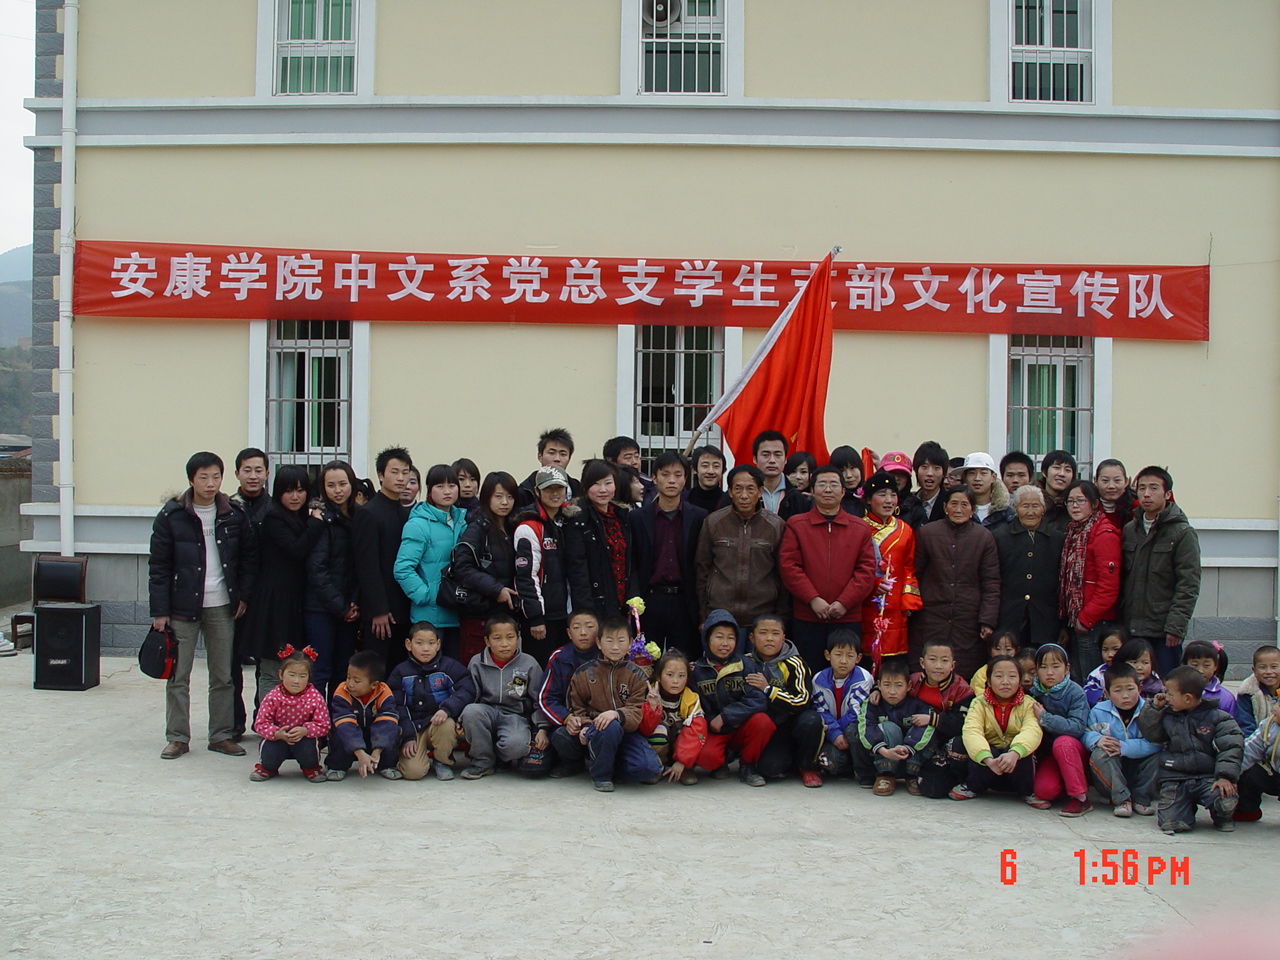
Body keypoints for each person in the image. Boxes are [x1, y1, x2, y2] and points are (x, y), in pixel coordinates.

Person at [149, 451, 257, 760]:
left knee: (223, 675)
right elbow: (158, 566)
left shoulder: (234, 514)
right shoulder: (172, 515)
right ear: (191, 480)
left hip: (222, 605)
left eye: (216, 477)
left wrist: (243, 597)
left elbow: (248, 560)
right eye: (203, 477)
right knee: (177, 675)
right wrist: (160, 611)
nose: (210, 483)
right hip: (182, 607)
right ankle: (177, 737)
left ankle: (221, 734)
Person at [776, 464, 876, 672]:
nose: (828, 489)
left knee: (844, 672)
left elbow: (866, 571)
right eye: (822, 484)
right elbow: (789, 566)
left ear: (843, 491)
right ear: (812, 490)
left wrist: (844, 602)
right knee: (807, 672)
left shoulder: (860, 528)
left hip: (847, 617)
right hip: (807, 616)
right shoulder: (797, 525)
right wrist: (813, 599)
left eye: (833, 484)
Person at [242, 465, 322, 702]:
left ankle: (289, 716)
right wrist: (316, 524)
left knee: (295, 667)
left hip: (296, 601)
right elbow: (297, 548)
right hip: (273, 603)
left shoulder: (301, 518)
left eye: (300, 490)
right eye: (288, 491)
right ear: (278, 493)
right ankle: (267, 717)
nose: (295, 497)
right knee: (272, 669)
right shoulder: (273, 518)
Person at [1138, 665, 1244, 834]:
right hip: (1176, 778)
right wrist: (1154, 709)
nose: (1166, 697)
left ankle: (1222, 817)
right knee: (1171, 823)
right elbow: (1153, 735)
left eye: (1170, 694)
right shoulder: (1167, 715)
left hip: (1208, 777)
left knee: (1224, 798)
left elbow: (1231, 748)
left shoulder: (1219, 718)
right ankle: (1183, 810)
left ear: (1187, 698)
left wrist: (1225, 777)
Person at [910, 486, 1000, 680]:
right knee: (928, 668)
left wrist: (987, 619)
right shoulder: (927, 533)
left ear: (973, 509)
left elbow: (991, 582)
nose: (958, 510)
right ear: (945, 507)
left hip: (967, 617)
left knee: (964, 671)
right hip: (931, 614)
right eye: (954, 504)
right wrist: (912, 606)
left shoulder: (984, 537)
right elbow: (914, 574)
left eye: (964, 505)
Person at [1120, 466, 1201, 677]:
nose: (1147, 494)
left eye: (1154, 488)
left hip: (1164, 630)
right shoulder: (1130, 529)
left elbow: (1188, 584)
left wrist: (1175, 627)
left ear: (1167, 494)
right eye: (1142, 488)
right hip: (1132, 627)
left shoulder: (1182, 532)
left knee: (1167, 684)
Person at [567, 615, 663, 792]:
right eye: (609, 640)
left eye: (621, 640)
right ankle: (601, 775)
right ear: (599, 643)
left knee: (649, 769)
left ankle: (612, 766)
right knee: (609, 727)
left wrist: (616, 714)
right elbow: (577, 706)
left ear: (630, 643)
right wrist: (585, 726)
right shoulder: (584, 673)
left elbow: (637, 711)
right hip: (597, 730)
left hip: (627, 731)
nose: (615, 646)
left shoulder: (637, 675)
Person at [628, 451, 707, 658]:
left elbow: (702, 564)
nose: (672, 480)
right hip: (650, 600)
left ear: (685, 479)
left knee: (682, 662)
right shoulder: (637, 518)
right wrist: (634, 600)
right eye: (665, 474)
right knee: (645, 661)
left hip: (684, 601)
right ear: (654, 478)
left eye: (678, 475)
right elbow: (633, 562)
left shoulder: (699, 517)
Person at [689, 609, 775, 786]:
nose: (725, 643)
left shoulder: (746, 665)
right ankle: (722, 761)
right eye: (719, 637)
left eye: (731, 638)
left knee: (762, 722)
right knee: (707, 758)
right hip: (715, 730)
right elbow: (697, 707)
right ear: (707, 639)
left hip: (741, 727)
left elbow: (758, 700)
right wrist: (714, 721)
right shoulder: (697, 670)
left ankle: (748, 766)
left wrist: (727, 716)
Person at [694, 464, 788, 627]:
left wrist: (781, 617)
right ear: (730, 492)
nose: (744, 496)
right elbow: (702, 569)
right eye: (738, 489)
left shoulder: (776, 525)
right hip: (720, 614)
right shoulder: (713, 522)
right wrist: (703, 615)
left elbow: (783, 574)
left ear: (760, 491)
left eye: (750, 489)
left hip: (762, 617)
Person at [394, 464, 468, 659]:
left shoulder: (462, 520)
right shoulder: (418, 524)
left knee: (453, 668)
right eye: (440, 486)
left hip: (457, 609)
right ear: (429, 489)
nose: (447, 491)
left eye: (452, 485)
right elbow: (403, 568)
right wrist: (425, 595)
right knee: (428, 669)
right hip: (429, 615)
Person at [460, 612, 545, 779]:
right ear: (487, 641)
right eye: (497, 638)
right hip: (486, 712)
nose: (504, 644)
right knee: (471, 711)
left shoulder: (529, 663)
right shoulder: (477, 663)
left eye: (510, 637)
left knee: (517, 746)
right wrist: (461, 719)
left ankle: (500, 757)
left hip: (515, 716)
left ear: (518, 638)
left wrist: (542, 727)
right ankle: (483, 761)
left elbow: (539, 700)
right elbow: (470, 695)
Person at [389, 621, 474, 782]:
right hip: (413, 729)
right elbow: (396, 705)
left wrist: (447, 709)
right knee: (413, 773)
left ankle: (441, 761)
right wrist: (407, 737)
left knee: (446, 725)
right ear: (408, 644)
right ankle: (410, 758)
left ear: (438, 645)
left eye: (431, 643)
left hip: (437, 724)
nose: (426, 649)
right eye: (419, 643)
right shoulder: (400, 672)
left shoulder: (449, 667)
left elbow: (467, 690)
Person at [304, 460, 362, 699]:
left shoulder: (359, 517)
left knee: (343, 672)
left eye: (342, 484)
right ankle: (317, 720)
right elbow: (317, 570)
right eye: (331, 485)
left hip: (350, 608)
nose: (337, 490)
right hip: (320, 608)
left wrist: (354, 602)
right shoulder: (321, 520)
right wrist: (341, 607)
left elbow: (362, 566)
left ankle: (339, 718)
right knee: (320, 671)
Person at [746, 615, 826, 786]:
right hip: (771, 727)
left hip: (794, 720)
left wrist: (768, 690)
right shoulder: (746, 662)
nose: (769, 638)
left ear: (783, 637)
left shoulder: (796, 663)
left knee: (811, 720)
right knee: (770, 769)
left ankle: (808, 766)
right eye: (763, 633)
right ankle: (789, 760)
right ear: (752, 637)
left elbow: (802, 701)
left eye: (775, 633)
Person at [353, 446, 413, 668]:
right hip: (380, 612)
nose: (401, 478)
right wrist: (378, 609)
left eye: (405, 472)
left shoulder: (406, 513)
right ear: (380, 475)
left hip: (404, 606)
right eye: (394, 472)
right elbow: (366, 566)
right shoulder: (369, 513)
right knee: (377, 669)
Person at [950, 656, 1042, 802]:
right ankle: (973, 787)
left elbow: (1032, 731)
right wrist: (987, 758)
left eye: (1012, 676)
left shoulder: (1029, 704)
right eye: (999, 676)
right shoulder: (978, 703)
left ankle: (1027, 792)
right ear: (988, 681)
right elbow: (972, 731)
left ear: (1019, 681)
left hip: (1014, 761)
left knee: (1024, 751)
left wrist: (1015, 753)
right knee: (976, 747)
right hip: (989, 763)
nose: (1005, 682)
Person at [453, 471, 520, 665]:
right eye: (498, 496)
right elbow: (462, 567)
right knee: (478, 668)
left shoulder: (514, 527)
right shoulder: (477, 528)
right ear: (487, 497)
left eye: (510, 497)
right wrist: (496, 589)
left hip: (507, 614)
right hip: (479, 615)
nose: (505, 502)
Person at [858, 471, 922, 671]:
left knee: (894, 661)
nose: (888, 500)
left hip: (895, 604)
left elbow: (909, 567)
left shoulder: (905, 530)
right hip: (865, 602)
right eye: (882, 494)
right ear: (869, 499)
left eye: (893, 495)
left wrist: (908, 600)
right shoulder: (858, 528)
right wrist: (872, 584)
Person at [513, 466, 576, 664]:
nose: (555, 493)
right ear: (537, 491)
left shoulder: (569, 522)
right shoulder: (528, 527)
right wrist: (535, 618)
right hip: (541, 620)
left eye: (559, 488)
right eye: (549, 488)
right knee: (540, 670)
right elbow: (526, 577)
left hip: (566, 615)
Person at [1059, 479, 1121, 681]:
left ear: (1094, 504)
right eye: (1070, 501)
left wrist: (1086, 618)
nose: (1075, 506)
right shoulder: (1073, 531)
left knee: (1092, 679)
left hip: (1094, 621)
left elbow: (1108, 587)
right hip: (1077, 618)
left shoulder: (1104, 534)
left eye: (1081, 500)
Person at [228, 447, 270, 741]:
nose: (253, 476)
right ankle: (232, 723)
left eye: (258, 470)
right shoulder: (227, 508)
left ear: (267, 473)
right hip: (233, 598)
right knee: (230, 664)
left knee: (266, 666)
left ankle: (263, 719)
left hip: (266, 598)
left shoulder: (275, 508)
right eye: (247, 470)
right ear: (237, 473)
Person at [1083, 663, 1161, 817]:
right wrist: (1097, 739)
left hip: (1139, 768)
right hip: (1112, 773)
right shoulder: (1099, 711)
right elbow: (1085, 733)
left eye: (1130, 689)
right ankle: (1122, 800)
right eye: (1118, 691)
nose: (1125, 696)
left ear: (1140, 689)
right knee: (1099, 755)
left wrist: (1124, 747)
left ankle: (1141, 799)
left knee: (1160, 757)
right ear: (1107, 693)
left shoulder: (1149, 711)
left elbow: (1157, 743)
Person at [1025, 644, 1092, 816]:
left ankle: (1080, 798)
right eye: (1043, 667)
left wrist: (1045, 718)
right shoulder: (1032, 693)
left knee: (1062, 743)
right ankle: (1068, 785)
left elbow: (1077, 727)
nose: (1049, 673)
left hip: (1072, 749)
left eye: (1056, 667)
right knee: (1044, 791)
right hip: (1049, 754)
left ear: (1067, 668)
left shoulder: (1075, 692)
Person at [993, 485, 1062, 649]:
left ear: (1043, 508)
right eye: (1025, 506)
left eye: (1035, 506)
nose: (1030, 512)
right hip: (1008, 616)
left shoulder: (1057, 538)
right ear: (1015, 508)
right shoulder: (1000, 537)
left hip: (1046, 618)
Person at [249, 647, 330, 783]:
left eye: (302, 676)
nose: (296, 681)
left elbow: (324, 725)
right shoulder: (273, 697)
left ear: (309, 677)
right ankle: (268, 768)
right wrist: (276, 733)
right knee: (270, 749)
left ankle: (311, 768)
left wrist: (305, 730)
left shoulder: (315, 697)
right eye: (291, 675)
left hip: (303, 739)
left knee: (308, 748)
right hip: (278, 738)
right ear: (281, 675)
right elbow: (261, 724)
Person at [857, 657, 934, 797]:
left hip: (911, 756)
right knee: (889, 727)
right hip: (884, 756)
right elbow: (866, 729)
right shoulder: (873, 704)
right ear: (879, 685)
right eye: (887, 685)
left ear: (908, 686)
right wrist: (884, 751)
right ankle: (886, 775)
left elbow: (926, 730)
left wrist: (908, 748)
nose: (892, 691)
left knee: (921, 727)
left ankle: (912, 776)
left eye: (898, 685)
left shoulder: (918, 705)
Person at [908, 638, 976, 798]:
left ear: (953, 665)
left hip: (946, 743)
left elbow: (963, 723)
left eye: (944, 661)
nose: (938, 666)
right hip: (917, 739)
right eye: (932, 659)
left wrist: (933, 719)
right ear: (922, 662)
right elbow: (890, 687)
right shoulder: (912, 682)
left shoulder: (963, 690)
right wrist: (876, 691)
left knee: (934, 789)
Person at [565, 459, 632, 620]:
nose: (603, 490)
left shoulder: (623, 516)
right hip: (595, 604)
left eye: (608, 483)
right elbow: (577, 569)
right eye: (596, 484)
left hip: (623, 601)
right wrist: (585, 611)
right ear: (585, 486)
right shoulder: (578, 519)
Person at [540, 609, 601, 779]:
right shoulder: (559, 658)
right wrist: (567, 718)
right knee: (561, 736)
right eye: (576, 627)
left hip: (601, 721)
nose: (583, 632)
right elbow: (546, 698)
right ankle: (572, 764)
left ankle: (603, 766)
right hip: (572, 722)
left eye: (589, 627)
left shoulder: (608, 656)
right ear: (568, 633)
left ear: (599, 630)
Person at [326, 650, 402, 781]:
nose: (350, 684)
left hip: (374, 737)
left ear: (374, 684)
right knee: (339, 730)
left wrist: (377, 752)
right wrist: (360, 753)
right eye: (348, 677)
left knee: (393, 728)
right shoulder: (342, 691)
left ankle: (386, 765)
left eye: (356, 681)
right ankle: (337, 766)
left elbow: (387, 721)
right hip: (352, 735)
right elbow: (346, 724)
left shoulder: (384, 692)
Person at [812, 629, 875, 780]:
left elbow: (856, 712)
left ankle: (865, 773)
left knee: (854, 731)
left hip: (852, 730)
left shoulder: (863, 679)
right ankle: (846, 767)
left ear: (858, 658)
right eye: (838, 654)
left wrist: (839, 732)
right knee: (831, 760)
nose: (843, 661)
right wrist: (834, 734)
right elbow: (821, 711)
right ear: (828, 655)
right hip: (832, 733)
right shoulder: (818, 680)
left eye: (850, 656)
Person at [638, 651, 707, 785]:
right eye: (670, 675)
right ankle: (657, 767)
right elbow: (645, 729)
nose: (675, 681)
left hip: (682, 749)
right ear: (659, 676)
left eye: (681, 676)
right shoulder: (650, 694)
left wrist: (682, 761)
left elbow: (697, 729)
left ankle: (685, 768)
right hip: (659, 745)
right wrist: (652, 707)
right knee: (659, 730)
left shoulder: (691, 699)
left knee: (689, 729)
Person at [1235, 697, 1280, 823]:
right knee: (1251, 772)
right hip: (1274, 773)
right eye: (1277, 703)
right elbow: (1249, 751)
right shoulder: (1268, 724)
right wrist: (1230, 776)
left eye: (1279, 706)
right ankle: (1248, 810)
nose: (1274, 708)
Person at [752, 430, 811, 519]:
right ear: (755, 459)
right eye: (766, 455)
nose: (772, 460)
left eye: (777, 455)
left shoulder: (799, 498)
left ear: (785, 459)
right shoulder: (742, 494)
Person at [518, 427, 582, 507]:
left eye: (563, 454)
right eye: (551, 453)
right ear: (540, 456)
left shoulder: (578, 489)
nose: (557, 459)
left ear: (569, 458)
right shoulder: (525, 491)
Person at [1234, 645, 1280, 739]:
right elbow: (1245, 725)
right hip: (1257, 742)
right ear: (1254, 670)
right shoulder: (1247, 693)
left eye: (1274, 667)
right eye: (1262, 667)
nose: (1268, 671)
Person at [901, 440, 948, 530]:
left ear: (943, 473)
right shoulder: (908, 503)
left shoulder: (949, 503)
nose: (930, 473)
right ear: (916, 470)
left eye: (936, 468)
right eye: (924, 467)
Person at [1181, 640, 1235, 716]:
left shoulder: (1225, 697)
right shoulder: (1176, 691)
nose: (1200, 670)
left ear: (1215, 666)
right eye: (1194, 665)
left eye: (1206, 665)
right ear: (1185, 665)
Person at [959, 452, 1011, 530]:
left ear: (993, 477)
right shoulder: (958, 509)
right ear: (965, 478)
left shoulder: (1007, 512)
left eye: (983, 473)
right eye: (972, 473)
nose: (977, 478)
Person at [1082, 622, 1128, 707]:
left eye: (1115, 649)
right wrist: (1108, 695)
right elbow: (1087, 694)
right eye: (1105, 650)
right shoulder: (1097, 674)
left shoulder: (1134, 670)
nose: (1110, 654)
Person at [603, 435, 655, 504]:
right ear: (612, 463)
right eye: (628, 458)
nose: (635, 462)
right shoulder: (605, 490)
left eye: (636, 456)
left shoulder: (650, 485)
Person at [968, 629, 1020, 696]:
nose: (1002, 653)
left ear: (1016, 651)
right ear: (990, 650)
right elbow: (980, 696)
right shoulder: (982, 673)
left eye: (1008, 649)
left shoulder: (1020, 669)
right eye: (997, 649)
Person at [1037, 450, 1077, 535]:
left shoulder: (1076, 504)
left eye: (1067, 470)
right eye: (1057, 468)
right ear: (1044, 472)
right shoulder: (1032, 499)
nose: (1062, 474)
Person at [1094, 458, 1135, 531]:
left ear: (1126, 482)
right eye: (1105, 481)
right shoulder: (1088, 508)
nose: (1111, 486)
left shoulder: (1136, 509)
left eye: (1117, 480)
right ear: (1095, 481)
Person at [687, 444, 727, 514]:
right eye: (705, 466)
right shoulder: (683, 500)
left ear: (723, 471)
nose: (710, 471)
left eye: (716, 466)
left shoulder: (729, 502)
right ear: (694, 469)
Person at [829, 444, 866, 518]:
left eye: (852, 468)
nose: (849, 475)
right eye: (842, 470)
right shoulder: (830, 500)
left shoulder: (870, 496)